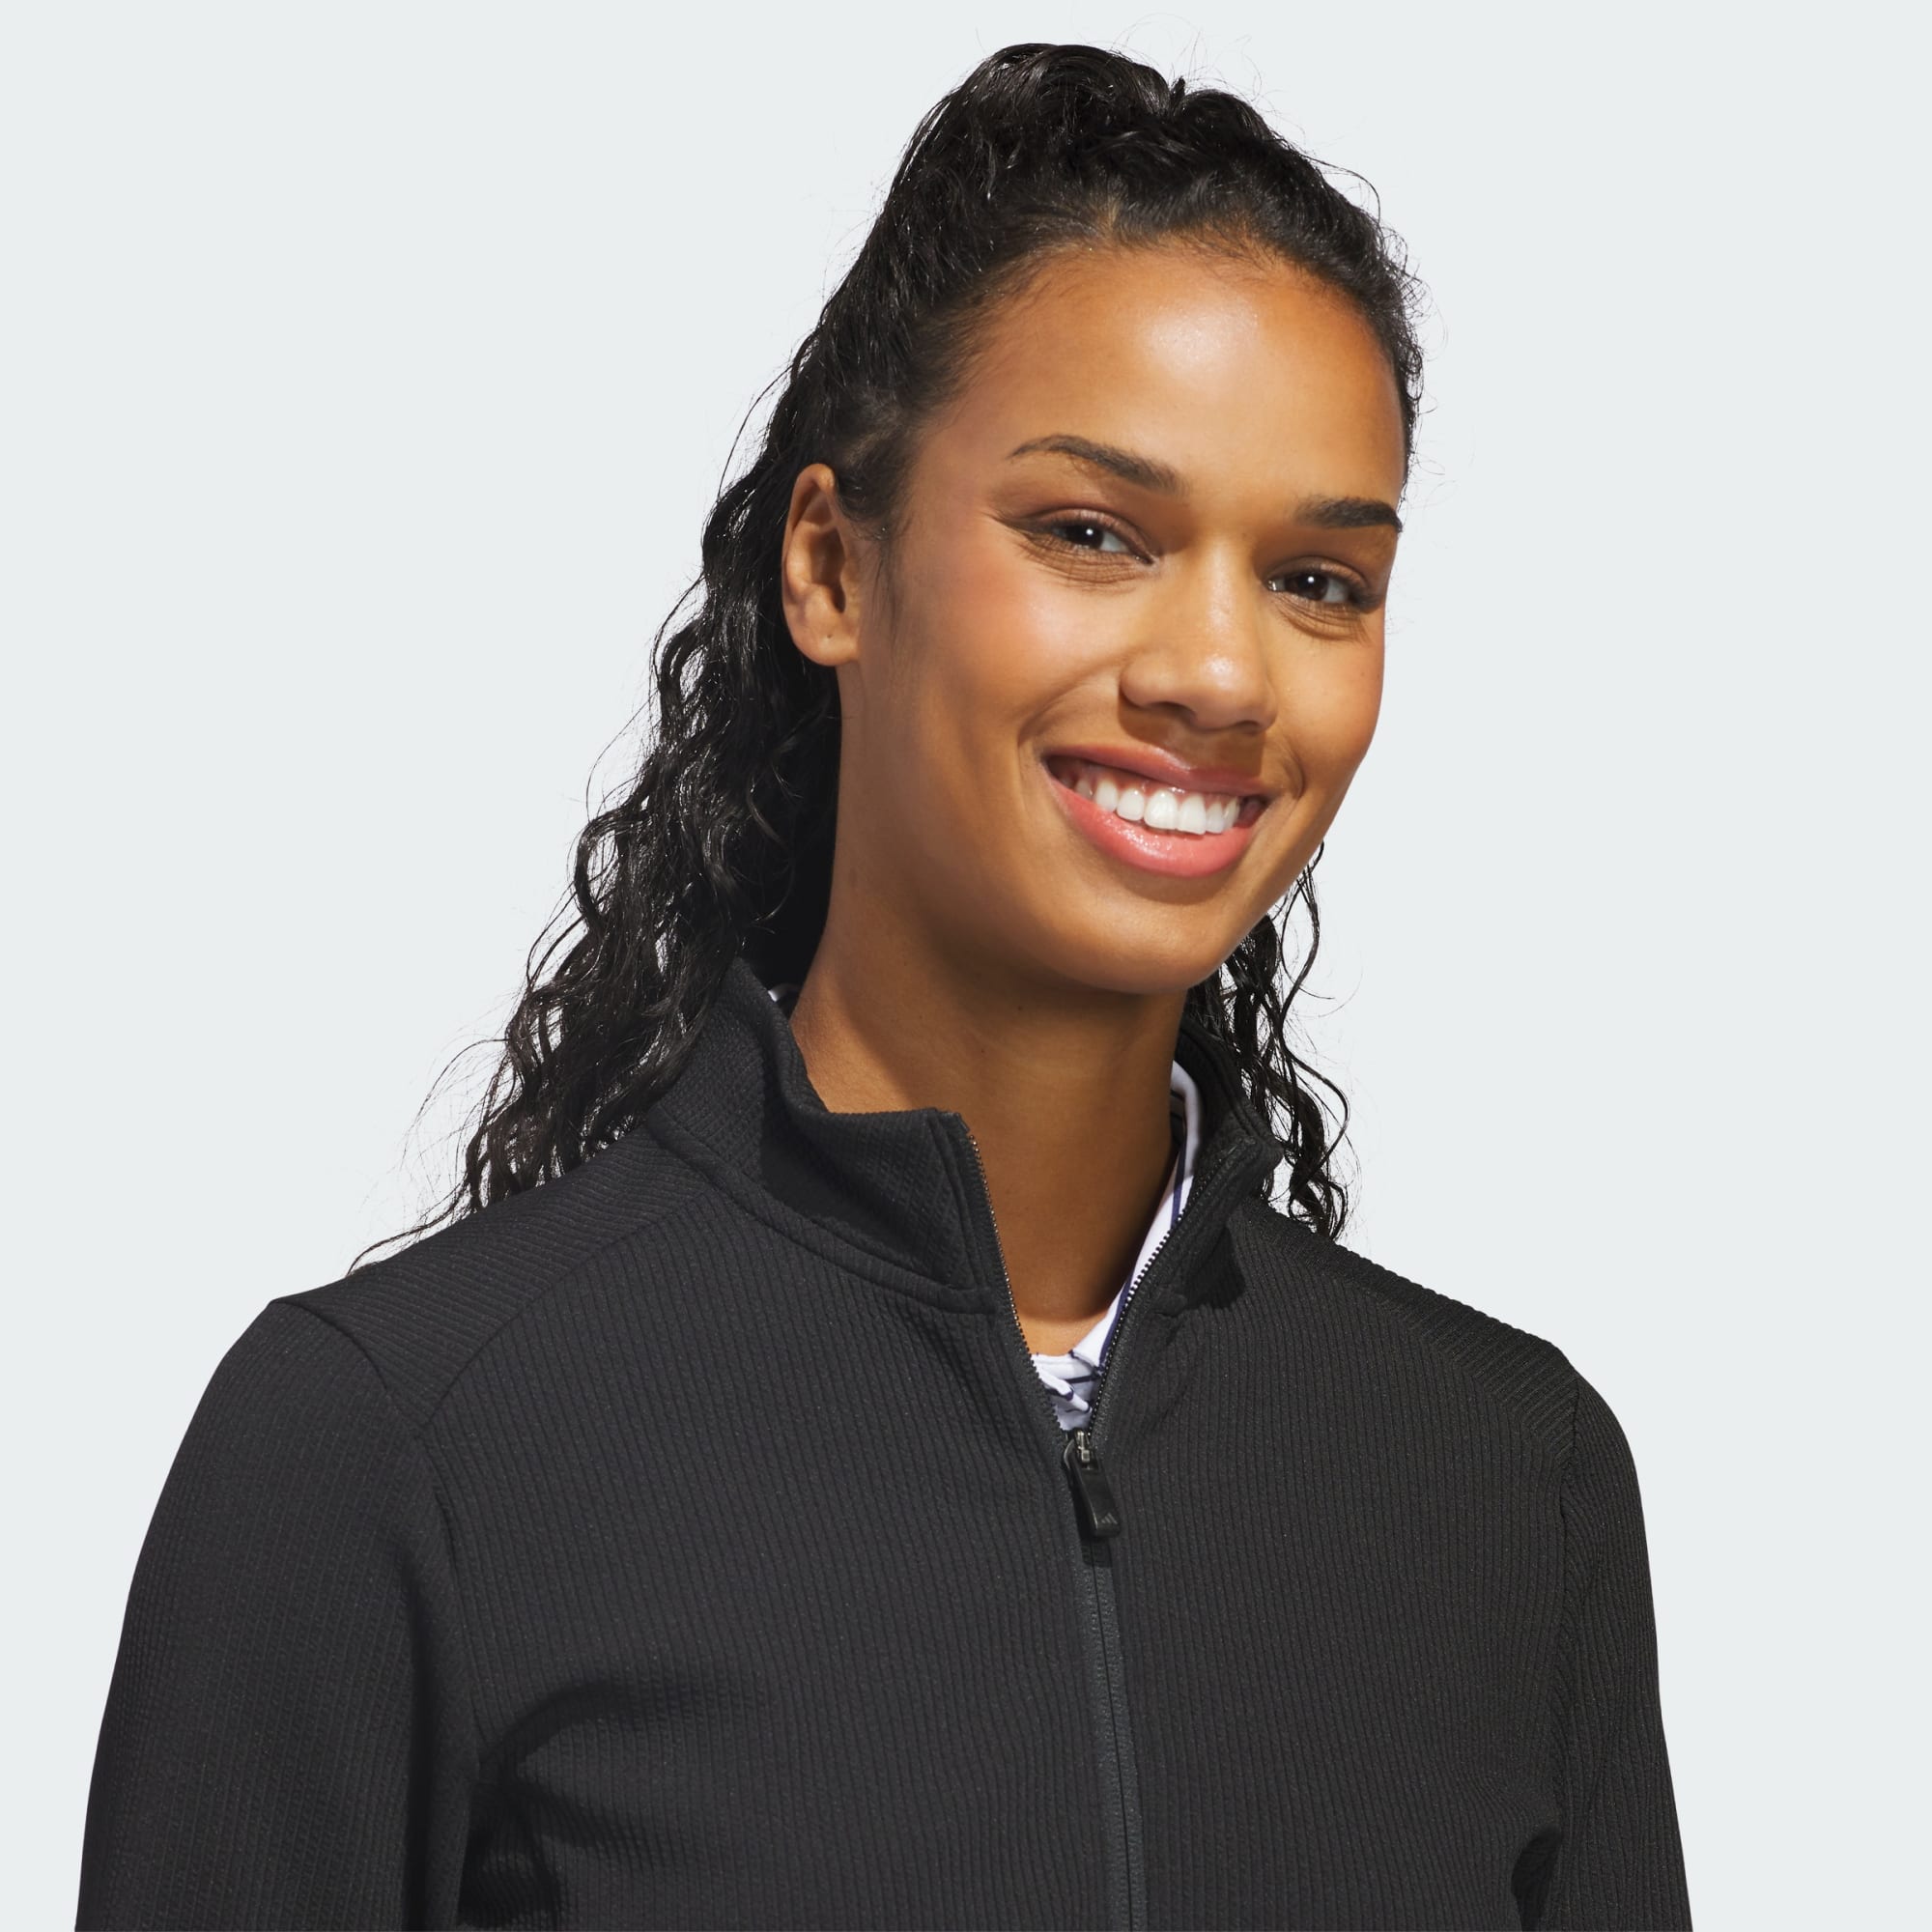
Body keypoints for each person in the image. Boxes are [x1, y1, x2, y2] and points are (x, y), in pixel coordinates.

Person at [75, 42, 1692, 1932]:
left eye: (1320, 578)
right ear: (833, 567)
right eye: (1094, 534)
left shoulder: (1511, 1482)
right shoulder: (392, 1449)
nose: (1219, 670)